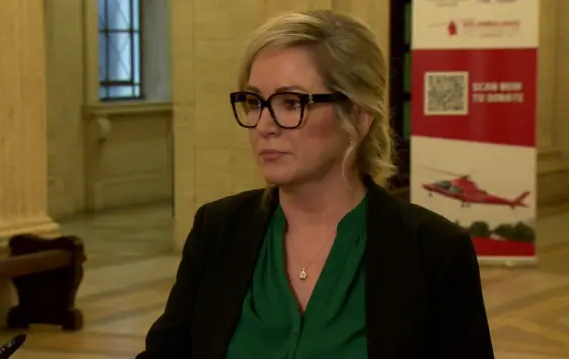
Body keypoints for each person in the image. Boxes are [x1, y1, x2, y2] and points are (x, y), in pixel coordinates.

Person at [137, 9, 494, 359]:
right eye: (254, 102)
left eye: (290, 103)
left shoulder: (434, 251)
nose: (264, 124)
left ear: (358, 115)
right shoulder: (217, 229)